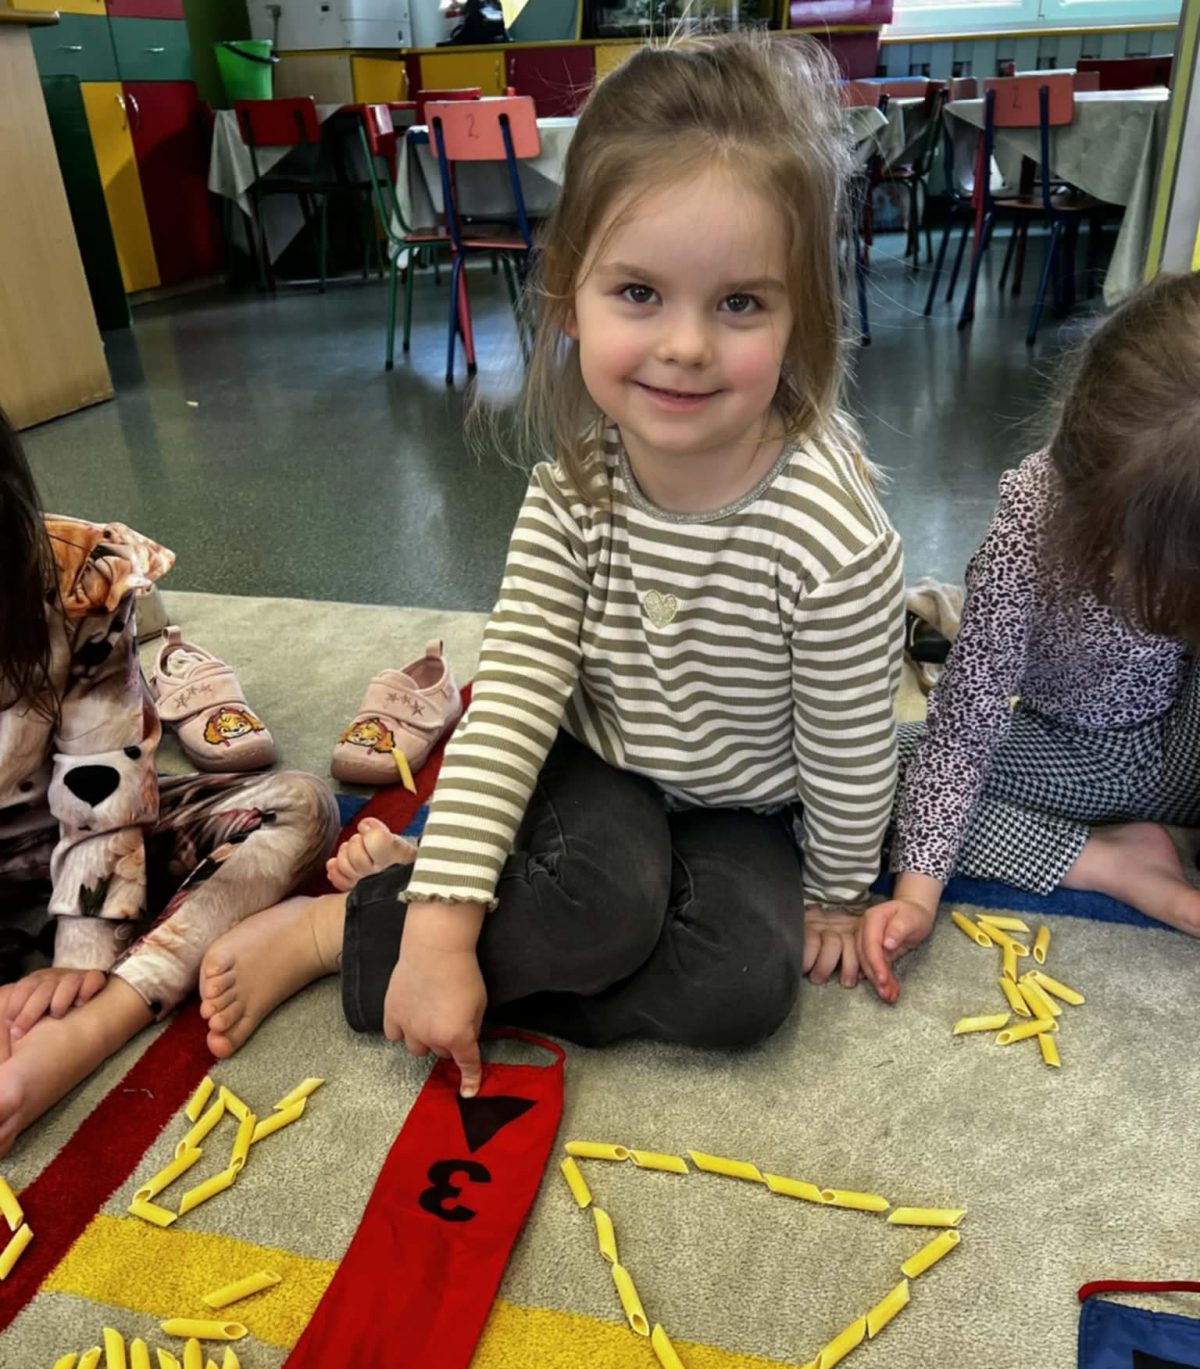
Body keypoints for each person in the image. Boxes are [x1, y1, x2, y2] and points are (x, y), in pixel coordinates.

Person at [199, 33, 905, 1092]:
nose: (686, 347)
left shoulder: (833, 537)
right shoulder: (575, 490)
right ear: (571, 292)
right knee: (603, 907)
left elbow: (850, 748)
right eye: (640, 293)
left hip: (744, 807)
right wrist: (439, 932)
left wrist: (841, 894)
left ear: (802, 312)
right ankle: (339, 931)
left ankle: (426, 899)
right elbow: (514, 703)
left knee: (745, 987)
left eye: (740, 303)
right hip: (596, 762)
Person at [0, 413, 338, 1155]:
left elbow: (100, 785)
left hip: (70, 838)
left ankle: (107, 1019)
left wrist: (81, 970)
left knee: (299, 806)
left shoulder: (71, 578)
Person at [860, 272, 1200, 1002]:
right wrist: (917, 895)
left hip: (1182, 744)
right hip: (1077, 751)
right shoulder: (1030, 524)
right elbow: (962, 732)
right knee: (851, 782)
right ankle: (1109, 863)